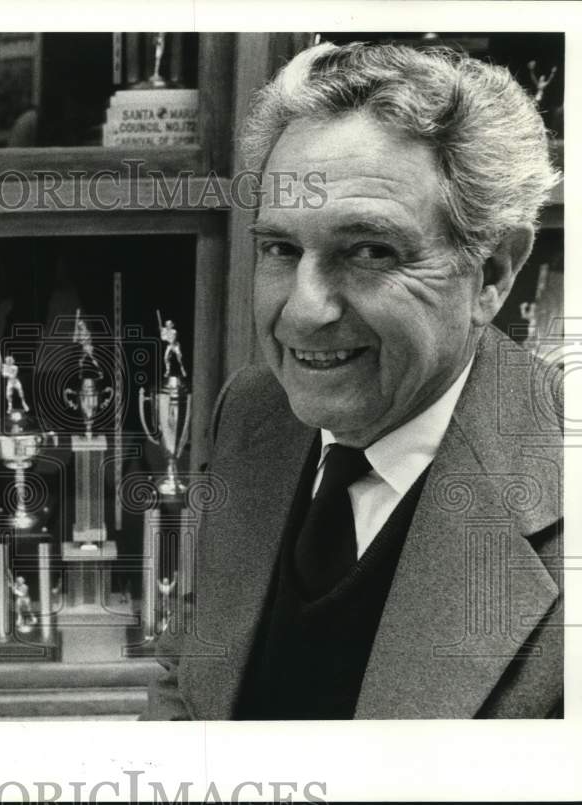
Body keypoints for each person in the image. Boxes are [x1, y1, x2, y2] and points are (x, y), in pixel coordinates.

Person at [143, 42, 563, 720]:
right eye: (280, 248)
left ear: (493, 272)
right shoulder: (254, 412)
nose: (305, 311)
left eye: (369, 250)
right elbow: (189, 682)